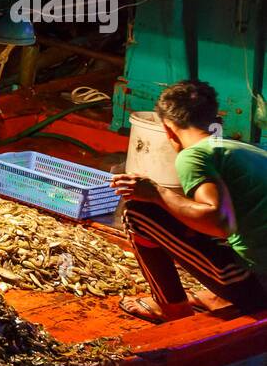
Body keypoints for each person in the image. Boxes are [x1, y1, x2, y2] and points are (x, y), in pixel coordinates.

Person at [111, 80, 267, 323]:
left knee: (138, 212)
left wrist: (157, 193)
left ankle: (171, 307)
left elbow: (218, 222)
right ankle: (220, 297)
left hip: (258, 288)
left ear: (168, 129)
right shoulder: (246, 150)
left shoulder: (194, 154)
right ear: (216, 120)